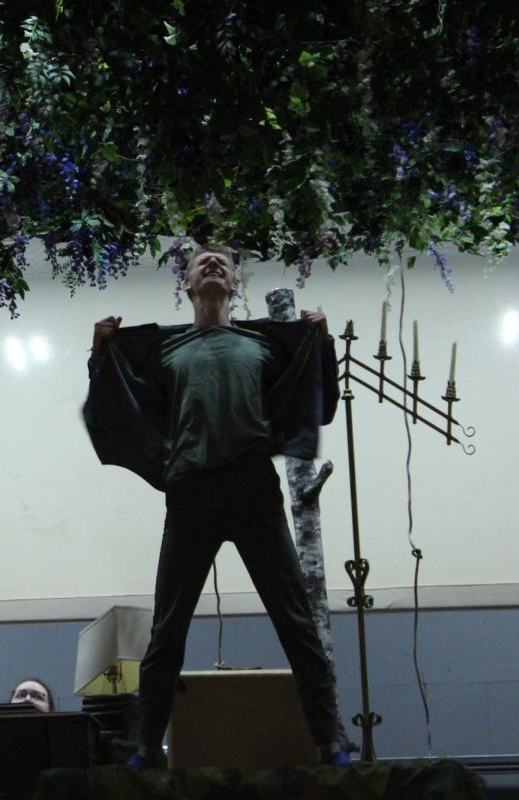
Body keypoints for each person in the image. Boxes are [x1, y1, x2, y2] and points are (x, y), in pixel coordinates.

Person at [83, 243, 347, 769]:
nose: (212, 265)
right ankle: (147, 748)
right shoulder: (165, 349)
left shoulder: (260, 343)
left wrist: (322, 344)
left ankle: (331, 741)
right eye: (201, 262)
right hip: (191, 492)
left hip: (252, 488)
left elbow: (321, 400)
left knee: (296, 621)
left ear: (234, 286)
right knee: (168, 628)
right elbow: (115, 396)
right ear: (185, 285)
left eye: (222, 263)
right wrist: (100, 350)